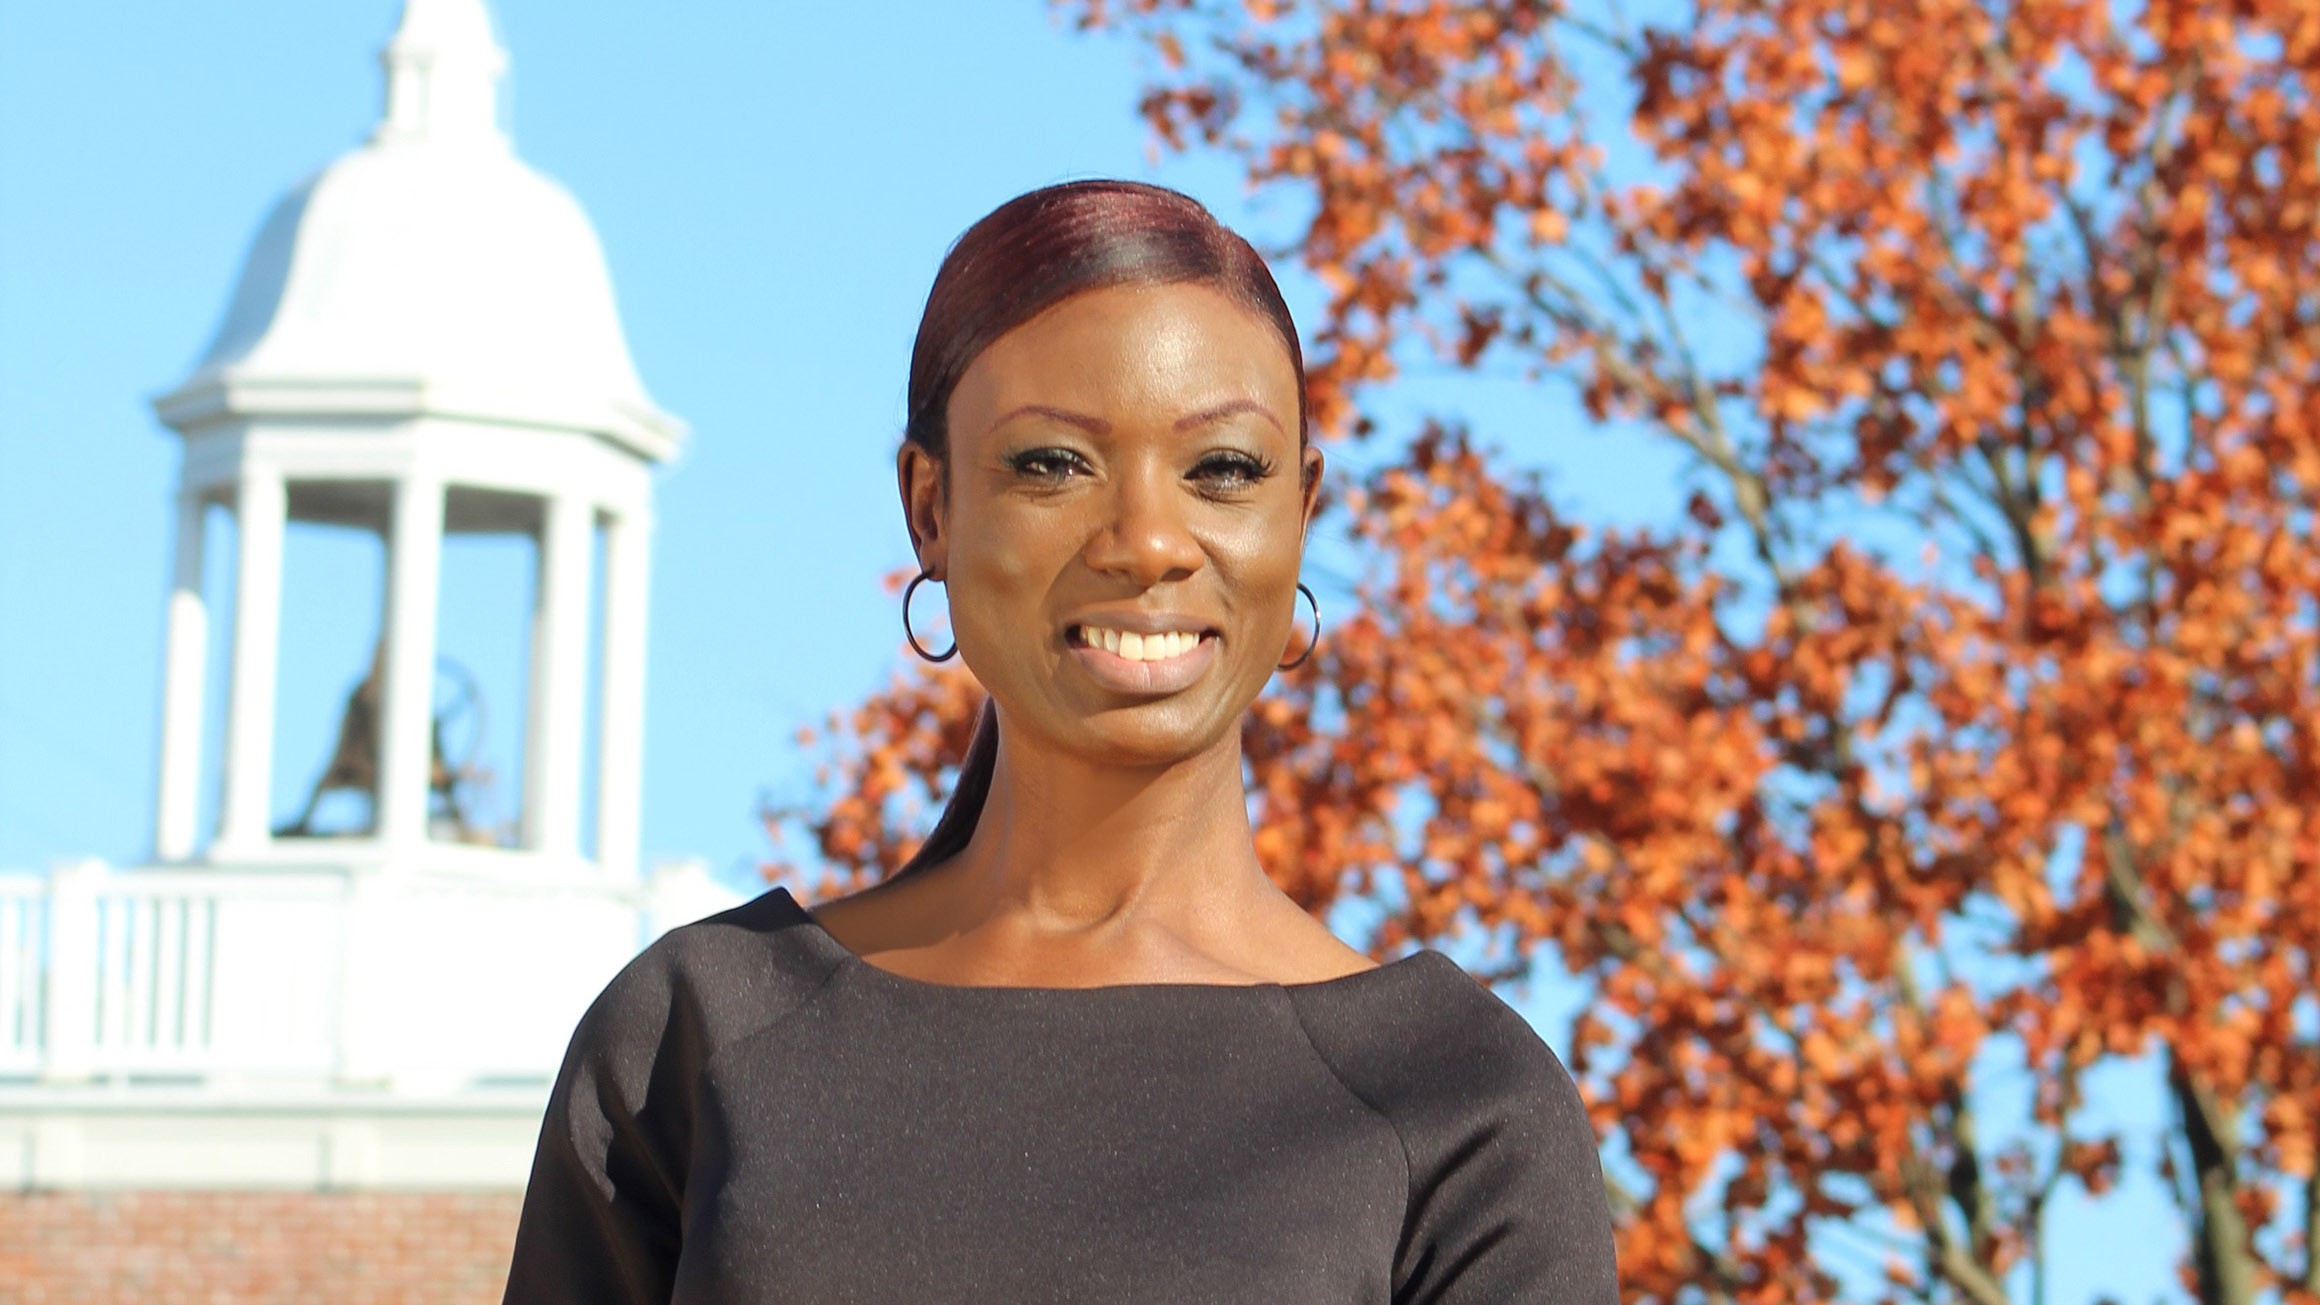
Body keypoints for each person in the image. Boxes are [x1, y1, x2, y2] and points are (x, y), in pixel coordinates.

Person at [501, 179, 1619, 1304]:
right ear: (928, 509)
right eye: (1051, 464)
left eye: (1222, 470)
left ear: (1301, 512)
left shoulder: (1458, 1099)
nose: (1146, 543)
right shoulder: (688, 1044)